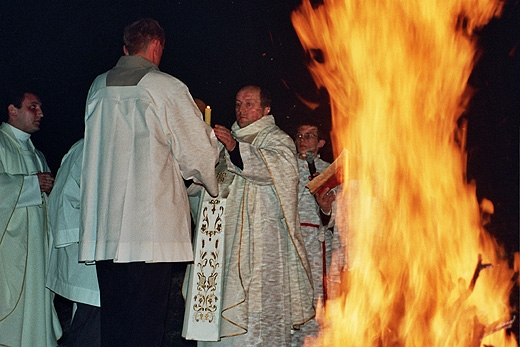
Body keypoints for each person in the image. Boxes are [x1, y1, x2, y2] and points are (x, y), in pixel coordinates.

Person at [78, 18, 219, 347]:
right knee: (145, 325)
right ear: (157, 47)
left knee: (115, 322)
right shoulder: (165, 87)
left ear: (126, 49)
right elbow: (198, 151)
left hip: (106, 227)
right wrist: (210, 180)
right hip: (149, 227)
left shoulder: (97, 87)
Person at [198, 85, 314, 346]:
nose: (241, 109)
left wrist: (234, 148)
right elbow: (208, 185)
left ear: (266, 109)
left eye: (249, 103)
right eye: (238, 104)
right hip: (223, 245)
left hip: (261, 246)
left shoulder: (277, 140)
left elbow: (271, 170)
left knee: (258, 315)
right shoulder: (224, 140)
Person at [0, 89, 62, 346]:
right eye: (32, 107)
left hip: (37, 252)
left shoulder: (37, 154)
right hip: (11, 253)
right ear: (12, 110)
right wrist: (29, 185)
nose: (41, 113)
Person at [46, 138, 101, 347]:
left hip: (90, 254)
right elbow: (62, 201)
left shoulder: (92, 146)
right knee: (90, 326)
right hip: (85, 255)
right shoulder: (88, 148)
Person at [291, 121, 335, 346]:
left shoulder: (330, 171)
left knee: (315, 299)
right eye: (299, 135)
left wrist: (325, 208)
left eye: (310, 135)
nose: (303, 139)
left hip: (316, 243)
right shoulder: (284, 167)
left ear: (321, 143)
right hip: (288, 241)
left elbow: (337, 216)